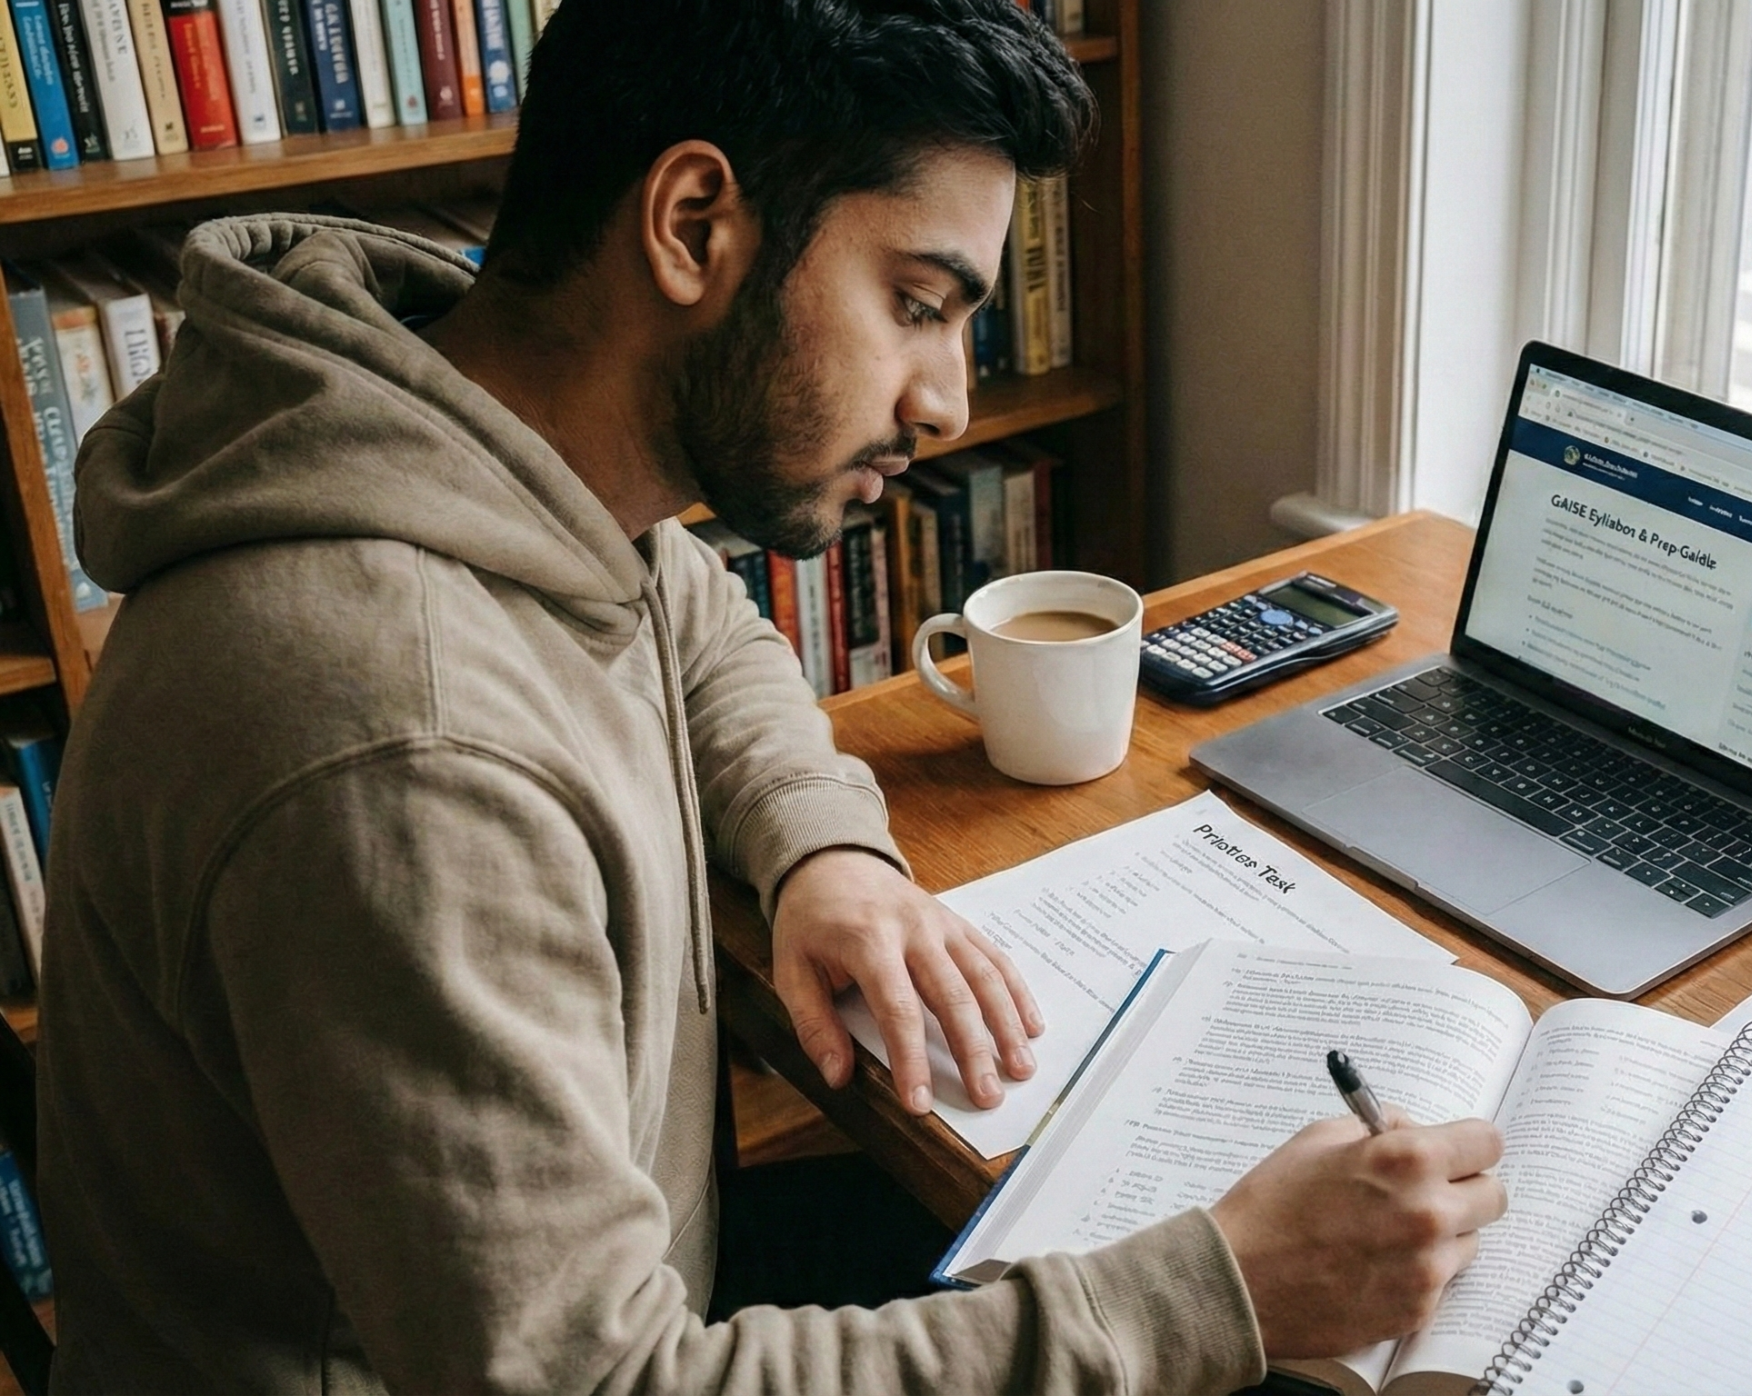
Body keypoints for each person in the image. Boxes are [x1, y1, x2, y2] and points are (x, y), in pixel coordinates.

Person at [36, 1, 1506, 1391]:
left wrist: (824, 849)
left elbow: (691, 621)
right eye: (919, 303)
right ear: (692, 227)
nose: (944, 400)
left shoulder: (477, 439)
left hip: (639, 1275)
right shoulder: (397, 746)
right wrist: (1218, 1295)